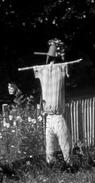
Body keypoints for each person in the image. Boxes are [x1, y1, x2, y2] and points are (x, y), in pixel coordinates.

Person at [20, 38, 79, 167]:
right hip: (50, 116)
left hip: (57, 116)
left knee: (64, 144)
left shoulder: (56, 69)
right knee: (53, 146)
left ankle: (69, 166)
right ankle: (56, 167)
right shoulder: (44, 70)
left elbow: (68, 72)